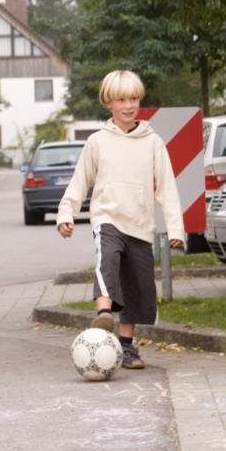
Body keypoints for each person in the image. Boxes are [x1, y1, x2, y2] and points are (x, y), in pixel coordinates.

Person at [56, 70, 185, 370]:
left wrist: (175, 227)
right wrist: (67, 213)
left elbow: (167, 186)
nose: (129, 105)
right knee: (107, 261)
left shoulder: (153, 142)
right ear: (108, 103)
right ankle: (103, 312)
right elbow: (80, 180)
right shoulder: (98, 141)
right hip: (107, 218)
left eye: (134, 99)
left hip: (140, 224)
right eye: (122, 100)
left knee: (136, 286)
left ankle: (127, 348)